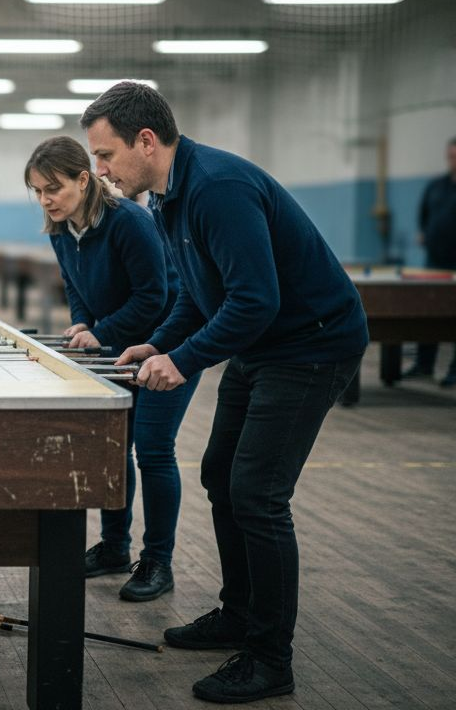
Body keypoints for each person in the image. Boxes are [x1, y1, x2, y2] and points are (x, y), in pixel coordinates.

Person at [83, 83, 367, 703]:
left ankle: (269, 658)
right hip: (265, 346)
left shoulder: (216, 189)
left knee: (258, 495)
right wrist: (157, 344)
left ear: (147, 141)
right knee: (219, 473)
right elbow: (195, 292)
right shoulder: (168, 198)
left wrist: (182, 362)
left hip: (311, 345)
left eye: (105, 155)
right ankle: (237, 614)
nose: (99, 171)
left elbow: (254, 300)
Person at [26, 135, 201, 602]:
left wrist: (100, 332)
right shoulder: (60, 227)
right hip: (114, 351)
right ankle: (113, 547)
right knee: (113, 448)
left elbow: (155, 297)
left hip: (168, 346)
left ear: (84, 180)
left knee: (155, 450)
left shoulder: (130, 222)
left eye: (53, 188)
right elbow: (73, 283)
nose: (45, 199)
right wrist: (83, 320)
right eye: (38, 191)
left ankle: (158, 563)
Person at [405, 136, 456, 386]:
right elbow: (425, 214)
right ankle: (423, 364)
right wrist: (425, 233)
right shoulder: (437, 185)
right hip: (436, 260)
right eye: (453, 156)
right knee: (427, 312)